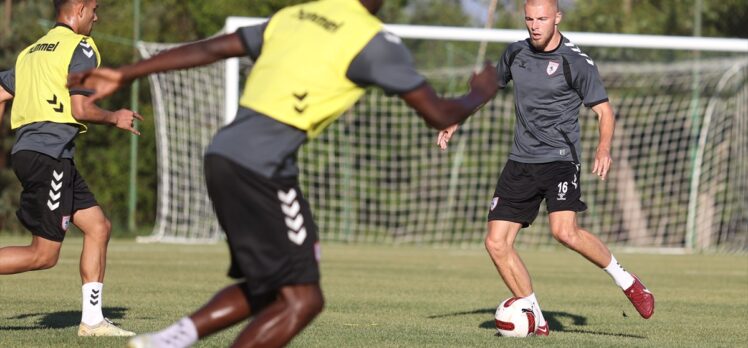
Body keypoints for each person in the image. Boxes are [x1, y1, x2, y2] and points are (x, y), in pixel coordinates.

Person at [68, 0, 499, 347]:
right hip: (263, 166)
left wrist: (127, 71)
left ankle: (171, 339)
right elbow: (438, 113)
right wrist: (482, 90)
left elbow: (216, 47)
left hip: (224, 155)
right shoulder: (373, 41)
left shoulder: (297, 15)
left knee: (271, 286)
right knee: (304, 299)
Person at [438, 0, 654, 336]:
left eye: (542, 18)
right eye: (529, 19)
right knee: (496, 243)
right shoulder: (515, 54)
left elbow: (604, 112)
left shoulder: (576, 62)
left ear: (557, 18)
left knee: (564, 232)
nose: (535, 25)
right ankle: (534, 316)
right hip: (521, 161)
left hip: (560, 161)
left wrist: (604, 148)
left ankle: (627, 280)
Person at [0, 0, 140, 337]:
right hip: (49, 156)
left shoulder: (31, 52)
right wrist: (114, 117)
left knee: (98, 227)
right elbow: (80, 109)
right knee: (43, 255)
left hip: (42, 153)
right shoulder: (82, 46)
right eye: (93, 9)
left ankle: (92, 322)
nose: (97, 16)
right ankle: (92, 322)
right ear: (77, 9)